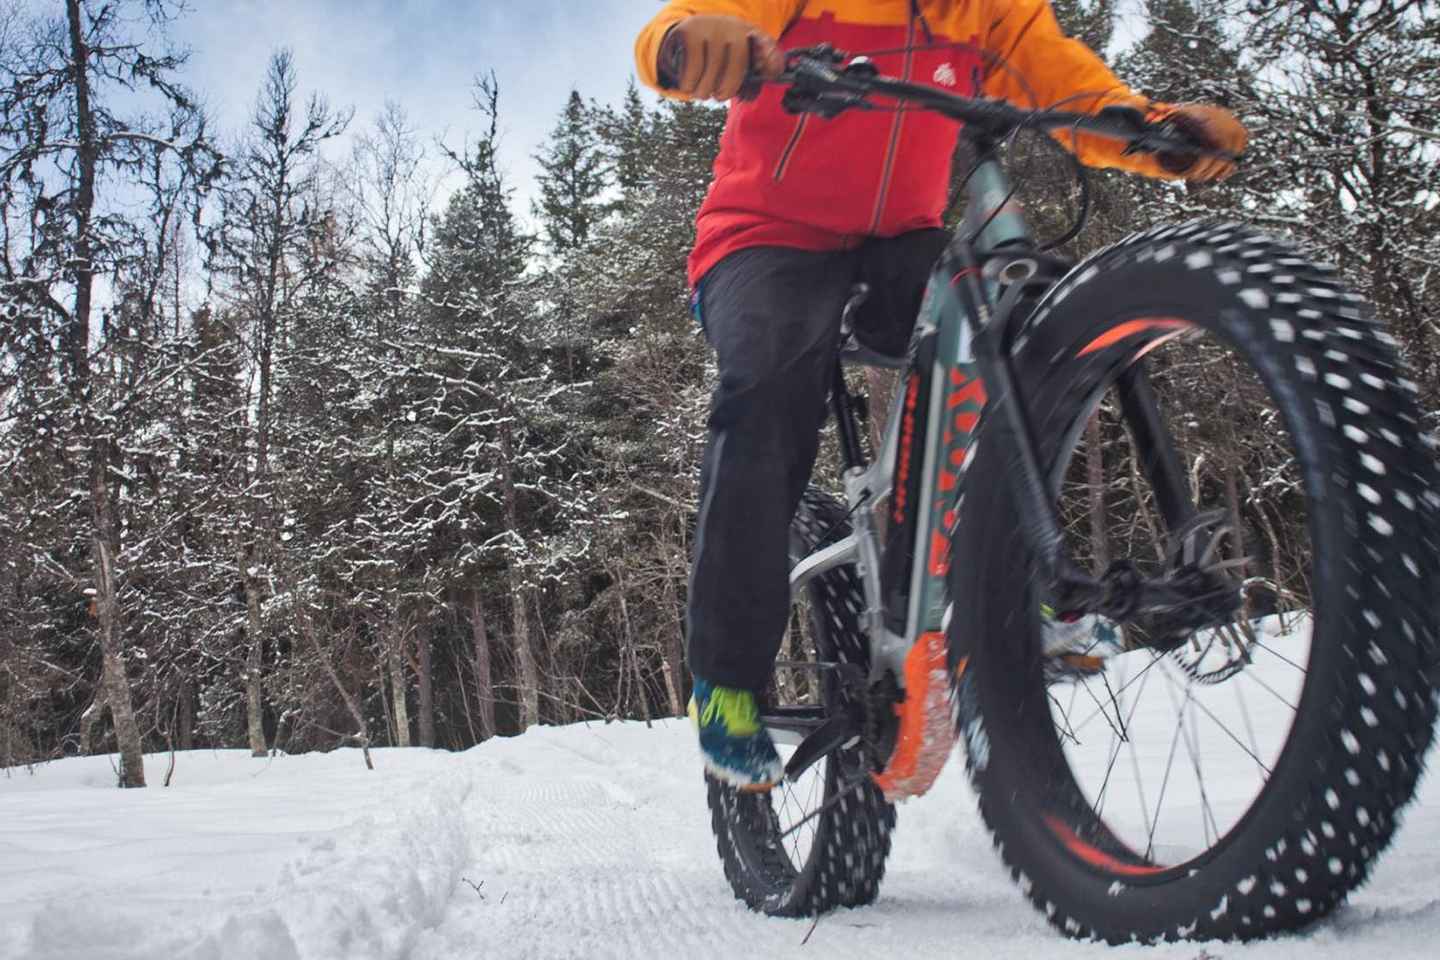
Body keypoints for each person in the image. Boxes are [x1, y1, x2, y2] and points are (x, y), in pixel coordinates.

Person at [633, 0, 1247, 790]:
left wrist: (1152, 130)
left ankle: (1015, 584)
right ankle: (727, 682)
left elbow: (1065, 87)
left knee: (1008, 334)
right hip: (763, 237)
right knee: (767, 392)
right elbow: (693, 23)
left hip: (902, 242)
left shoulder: (988, 8)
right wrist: (688, 45)